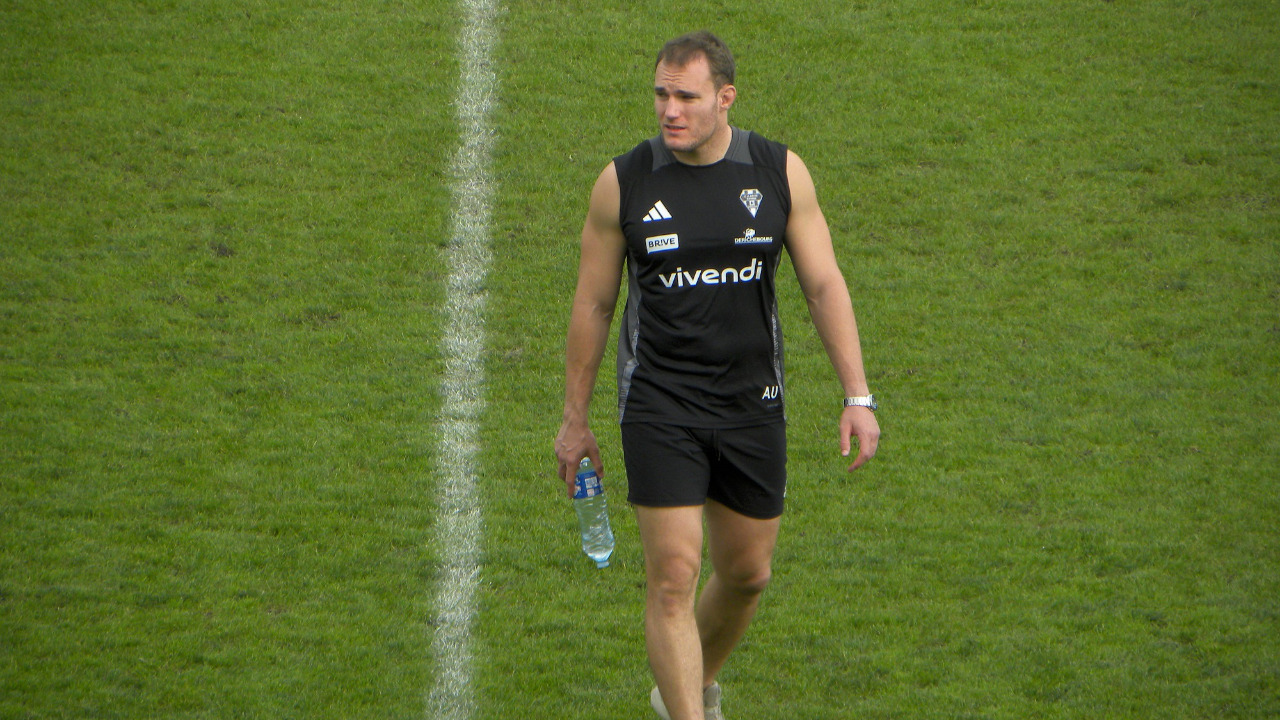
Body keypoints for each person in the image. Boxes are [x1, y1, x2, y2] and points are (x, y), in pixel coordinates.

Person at [553, 30, 880, 720]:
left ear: (726, 97)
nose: (669, 111)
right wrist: (574, 420)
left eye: (687, 97)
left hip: (752, 403)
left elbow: (823, 284)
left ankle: (684, 688)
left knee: (747, 573)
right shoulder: (624, 182)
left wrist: (857, 395)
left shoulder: (778, 172)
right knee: (673, 577)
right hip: (660, 403)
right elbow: (594, 304)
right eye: (660, 95)